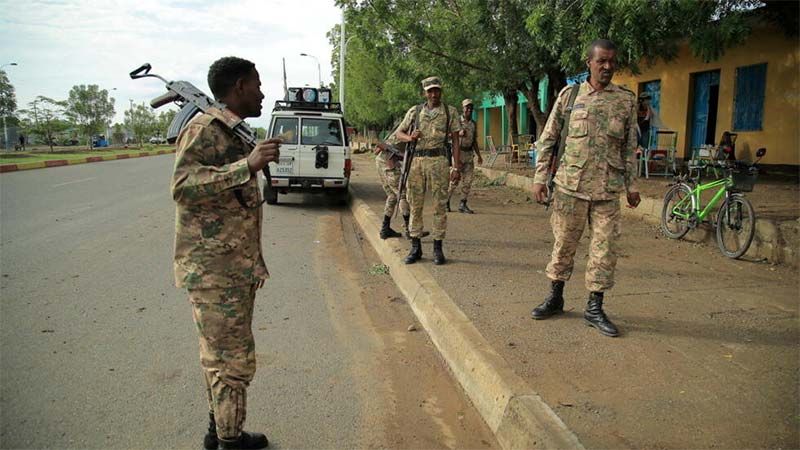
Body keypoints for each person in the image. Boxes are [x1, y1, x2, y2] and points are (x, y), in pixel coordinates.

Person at [171, 56, 280, 450]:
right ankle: (230, 442)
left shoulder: (234, 131)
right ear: (239, 87)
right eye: (257, 84)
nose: (262, 93)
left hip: (232, 268)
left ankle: (219, 431)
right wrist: (246, 166)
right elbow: (182, 185)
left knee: (220, 359)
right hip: (215, 271)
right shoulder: (204, 128)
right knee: (232, 362)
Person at [531, 39, 641, 338]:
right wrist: (540, 178)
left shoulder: (625, 100)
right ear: (589, 63)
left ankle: (595, 307)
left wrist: (632, 186)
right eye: (601, 61)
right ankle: (555, 297)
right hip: (570, 188)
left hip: (607, 191)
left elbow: (629, 147)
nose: (607, 66)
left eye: (611, 61)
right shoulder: (570, 96)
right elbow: (548, 138)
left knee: (604, 251)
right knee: (563, 245)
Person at [395, 76, 461, 265]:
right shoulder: (415, 111)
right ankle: (415, 247)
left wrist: (456, 166)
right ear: (424, 93)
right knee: (415, 205)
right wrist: (410, 137)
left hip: (439, 161)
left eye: (436, 90)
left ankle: (437, 248)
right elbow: (399, 133)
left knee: (440, 205)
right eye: (430, 91)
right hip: (416, 162)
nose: (434, 94)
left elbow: (456, 140)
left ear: (441, 91)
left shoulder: (450, 111)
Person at [447, 98, 483, 214]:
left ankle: (463, 203)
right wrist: (459, 134)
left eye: (471, 107)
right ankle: (446, 202)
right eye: (467, 107)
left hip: (469, 154)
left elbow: (474, 141)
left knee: (468, 181)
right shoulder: (456, 121)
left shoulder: (473, 124)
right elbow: (447, 135)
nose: (469, 110)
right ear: (462, 108)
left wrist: (479, 155)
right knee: (454, 180)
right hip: (458, 154)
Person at [374, 129, 410, 239]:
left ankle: (385, 229)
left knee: (392, 196)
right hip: (388, 163)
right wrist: (398, 154)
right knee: (402, 194)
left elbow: (376, 150)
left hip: (380, 162)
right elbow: (380, 146)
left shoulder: (398, 128)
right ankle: (409, 229)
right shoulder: (408, 129)